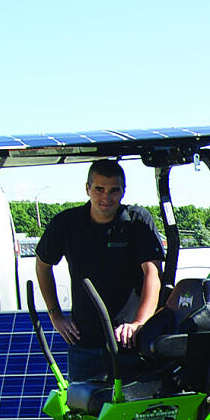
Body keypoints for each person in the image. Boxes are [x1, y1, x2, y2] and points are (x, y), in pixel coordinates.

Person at [35, 159, 163, 383]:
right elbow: (42, 265)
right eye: (99, 189)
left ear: (123, 192)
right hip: (84, 342)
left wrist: (138, 323)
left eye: (114, 190)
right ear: (87, 189)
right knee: (83, 412)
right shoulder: (66, 224)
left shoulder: (137, 221)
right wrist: (55, 315)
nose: (106, 197)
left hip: (129, 341)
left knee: (130, 414)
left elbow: (152, 273)